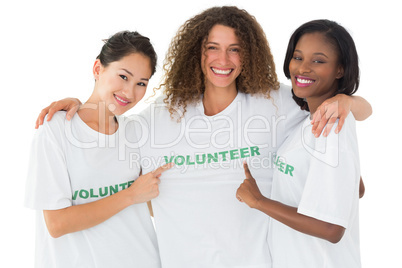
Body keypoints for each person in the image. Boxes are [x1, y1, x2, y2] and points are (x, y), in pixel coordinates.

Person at [35, 7, 371, 268]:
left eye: (235, 49)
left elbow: (339, 149)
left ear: (248, 54)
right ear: (197, 52)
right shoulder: (157, 120)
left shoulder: (277, 103)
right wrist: (79, 106)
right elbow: (107, 126)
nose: (222, 60)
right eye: (213, 47)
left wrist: (349, 100)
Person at [25, 31, 172, 268]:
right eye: (123, 76)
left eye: (141, 83)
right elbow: (57, 224)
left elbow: (156, 204)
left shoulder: (136, 132)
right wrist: (130, 195)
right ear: (97, 69)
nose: (130, 92)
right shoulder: (55, 131)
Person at [236, 19, 363, 267]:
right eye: (298, 57)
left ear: (340, 70)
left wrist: (258, 201)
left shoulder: (332, 126)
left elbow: (332, 228)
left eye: (318, 60)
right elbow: (356, 189)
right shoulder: (310, 121)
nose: (303, 68)